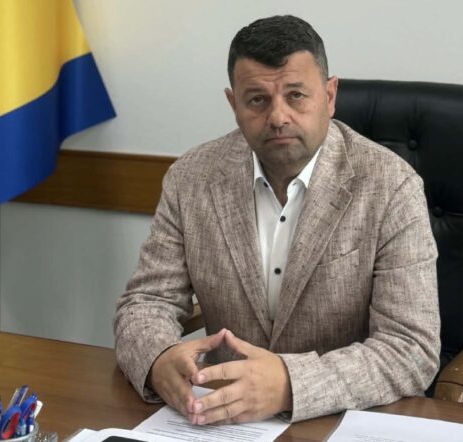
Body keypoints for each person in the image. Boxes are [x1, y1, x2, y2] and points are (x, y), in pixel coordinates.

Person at [114, 15, 440, 425]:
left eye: (296, 95)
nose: (278, 117)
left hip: (339, 421)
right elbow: (147, 303)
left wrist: (290, 383)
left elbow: (410, 349)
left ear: (329, 96)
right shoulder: (191, 179)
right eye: (258, 100)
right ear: (234, 105)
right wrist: (159, 358)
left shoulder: (391, 186)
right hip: (221, 422)